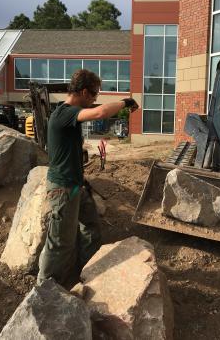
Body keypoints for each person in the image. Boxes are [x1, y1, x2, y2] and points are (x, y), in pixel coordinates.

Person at [37, 69, 139, 285]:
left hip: (74, 186)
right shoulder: (64, 114)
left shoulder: (69, 115)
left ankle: (84, 274)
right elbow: (101, 112)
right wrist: (125, 102)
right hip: (63, 190)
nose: (94, 99)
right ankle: (44, 288)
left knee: (90, 227)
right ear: (84, 92)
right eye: (94, 95)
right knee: (60, 243)